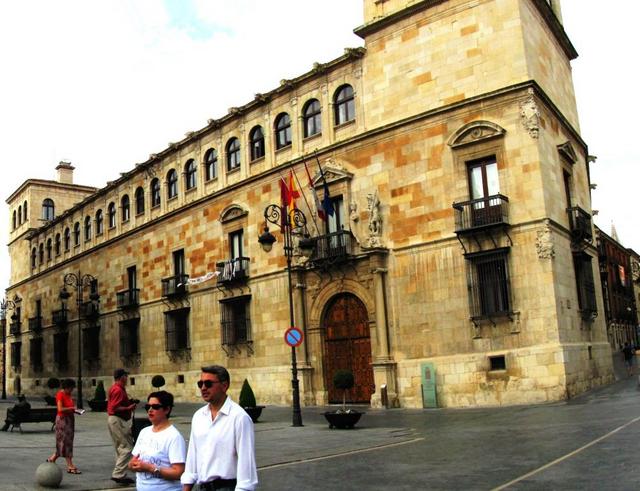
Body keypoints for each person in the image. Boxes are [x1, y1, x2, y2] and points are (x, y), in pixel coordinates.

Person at [181, 365, 258, 491]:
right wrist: (186, 487)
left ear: (224, 386)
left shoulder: (239, 417)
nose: (203, 388)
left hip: (227, 487)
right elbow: (192, 458)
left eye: (208, 383)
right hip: (202, 487)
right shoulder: (198, 417)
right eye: (200, 384)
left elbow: (246, 462)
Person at [129, 390, 186, 490]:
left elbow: (179, 472)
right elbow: (133, 460)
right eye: (148, 407)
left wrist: (150, 468)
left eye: (155, 407)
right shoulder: (144, 432)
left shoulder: (174, 436)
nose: (150, 410)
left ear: (167, 409)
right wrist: (132, 465)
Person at [107, 368, 138, 485]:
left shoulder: (115, 388)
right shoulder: (118, 390)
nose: (127, 378)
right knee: (127, 448)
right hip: (118, 420)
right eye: (126, 376)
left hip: (114, 420)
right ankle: (118, 474)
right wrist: (129, 408)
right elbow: (114, 407)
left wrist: (128, 403)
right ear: (122, 377)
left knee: (119, 447)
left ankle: (121, 474)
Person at [47, 378, 81, 474]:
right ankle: (70, 465)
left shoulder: (69, 395)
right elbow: (60, 409)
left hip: (70, 420)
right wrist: (72, 408)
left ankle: (52, 459)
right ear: (66, 387)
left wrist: (76, 410)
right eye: (71, 388)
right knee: (65, 442)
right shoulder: (60, 394)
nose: (72, 390)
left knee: (66, 441)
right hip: (62, 421)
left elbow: (70, 407)